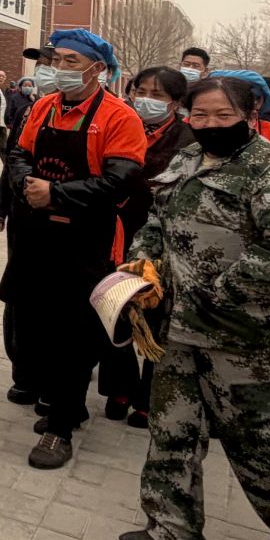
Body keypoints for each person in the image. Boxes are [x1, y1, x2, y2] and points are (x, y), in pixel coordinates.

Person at [119, 75, 270, 540]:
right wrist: (143, 261)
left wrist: (216, 295)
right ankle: (172, 527)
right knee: (172, 428)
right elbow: (157, 219)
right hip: (178, 329)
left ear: (250, 115)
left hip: (244, 337)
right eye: (200, 115)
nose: (210, 124)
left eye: (223, 115)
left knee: (250, 440)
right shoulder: (187, 159)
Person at [0, 28, 146, 469]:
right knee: (37, 326)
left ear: (97, 69)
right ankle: (67, 403)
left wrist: (57, 194)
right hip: (36, 233)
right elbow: (18, 154)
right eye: (55, 60)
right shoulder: (44, 106)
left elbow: (120, 180)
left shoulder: (119, 117)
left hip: (87, 240)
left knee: (76, 335)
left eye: (70, 62)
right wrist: (28, 186)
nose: (58, 69)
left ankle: (60, 429)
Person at [100, 66, 193, 425]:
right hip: (115, 229)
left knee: (155, 312)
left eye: (157, 95)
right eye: (141, 91)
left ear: (175, 103)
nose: (146, 100)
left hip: (161, 237)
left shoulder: (188, 139)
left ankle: (148, 395)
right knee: (114, 308)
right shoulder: (120, 123)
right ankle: (119, 387)